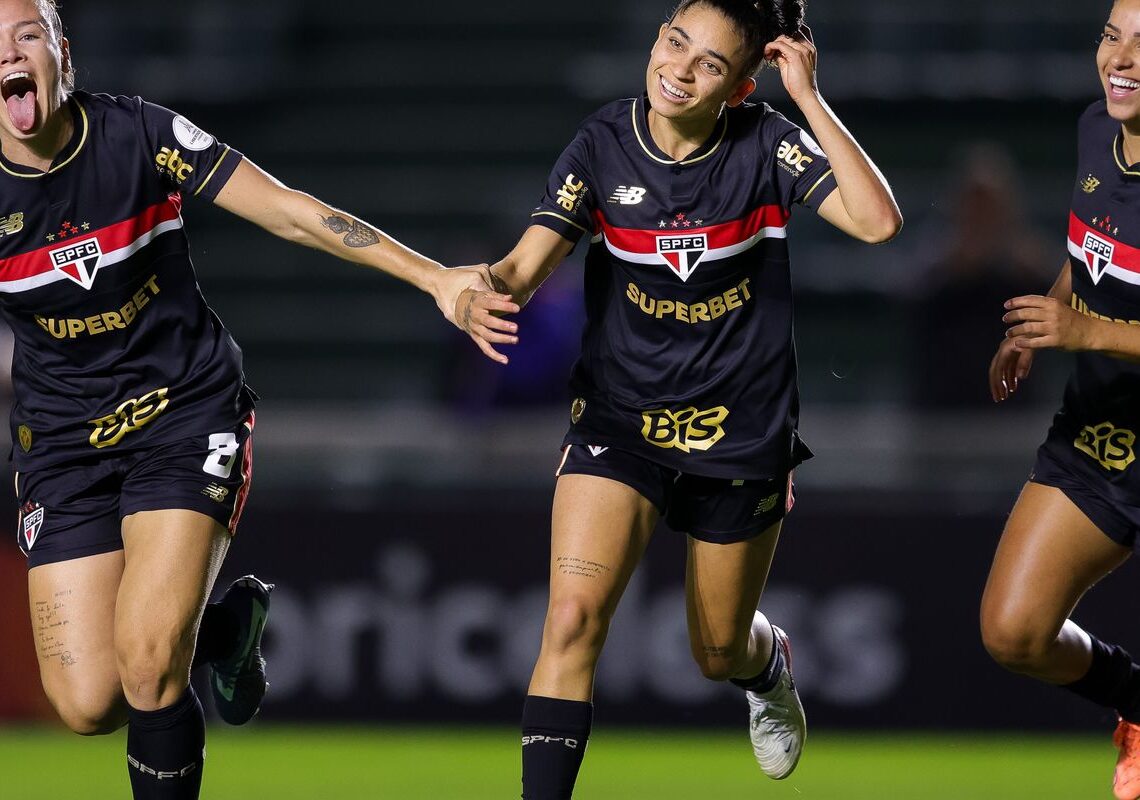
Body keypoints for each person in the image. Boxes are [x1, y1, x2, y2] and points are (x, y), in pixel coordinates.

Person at [0, 2, 490, 798]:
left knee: (152, 662)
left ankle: (188, 648)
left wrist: (434, 275)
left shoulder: (140, 136)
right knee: (87, 701)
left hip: (183, 414)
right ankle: (227, 630)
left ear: (63, 53)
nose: (10, 56)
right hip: (61, 444)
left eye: (28, 36)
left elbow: (291, 212)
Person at [454, 1, 901, 795]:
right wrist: (459, 286)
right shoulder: (602, 143)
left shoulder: (768, 144)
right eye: (674, 42)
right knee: (570, 621)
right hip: (620, 420)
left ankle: (769, 672)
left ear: (739, 86)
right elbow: (521, 271)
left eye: (709, 64)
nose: (677, 69)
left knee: (718, 650)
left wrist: (807, 98)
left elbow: (877, 224)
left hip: (742, 430)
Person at [980, 2, 1140, 799]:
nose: (1125, 56)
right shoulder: (1093, 132)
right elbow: (1091, 257)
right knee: (1014, 630)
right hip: (1104, 432)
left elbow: (1096, 318)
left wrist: (1089, 333)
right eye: (1113, 34)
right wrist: (1041, 324)